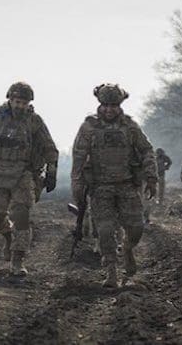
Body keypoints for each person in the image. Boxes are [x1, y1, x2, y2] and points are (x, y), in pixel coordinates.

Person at [71, 83, 157, 287]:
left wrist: (152, 177)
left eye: (114, 105)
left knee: (136, 228)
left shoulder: (130, 127)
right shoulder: (89, 127)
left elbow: (146, 150)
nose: (109, 110)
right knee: (105, 231)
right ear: (100, 104)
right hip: (100, 187)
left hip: (127, 185)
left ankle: (127, 249)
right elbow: (79, 155)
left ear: (120, 105)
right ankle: (111, 270)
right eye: (106, 105)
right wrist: (77, 183)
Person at [0, 82, 58, 277]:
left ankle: (17, 260)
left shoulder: (34, 121)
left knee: (21, 216)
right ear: (10, 99)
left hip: (24, 175)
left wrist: (51, 171)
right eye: (17, 102)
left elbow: (49, 147)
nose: (20, 106)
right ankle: (9, 238)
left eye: (24, 103)